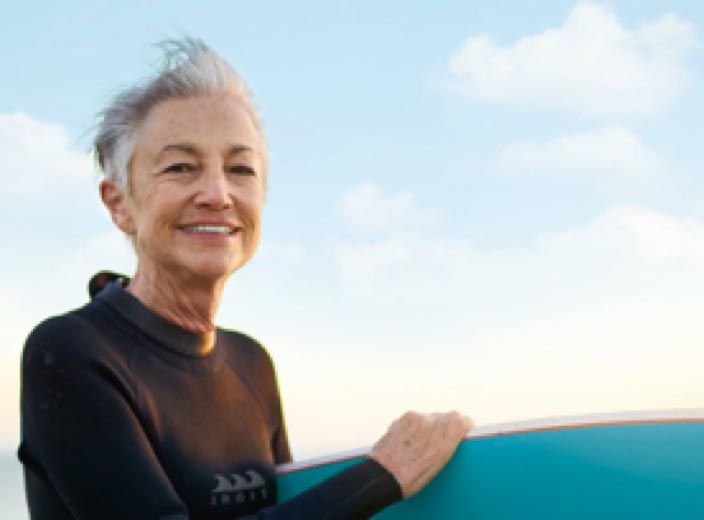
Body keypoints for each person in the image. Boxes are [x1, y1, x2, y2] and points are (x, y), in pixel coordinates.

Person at [18, 38, 473, 519]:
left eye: (241, 169)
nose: (217, 194)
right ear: (119, 204)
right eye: (180, 167)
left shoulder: (251, 364)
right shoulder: (70, 352)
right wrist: (381, 476)